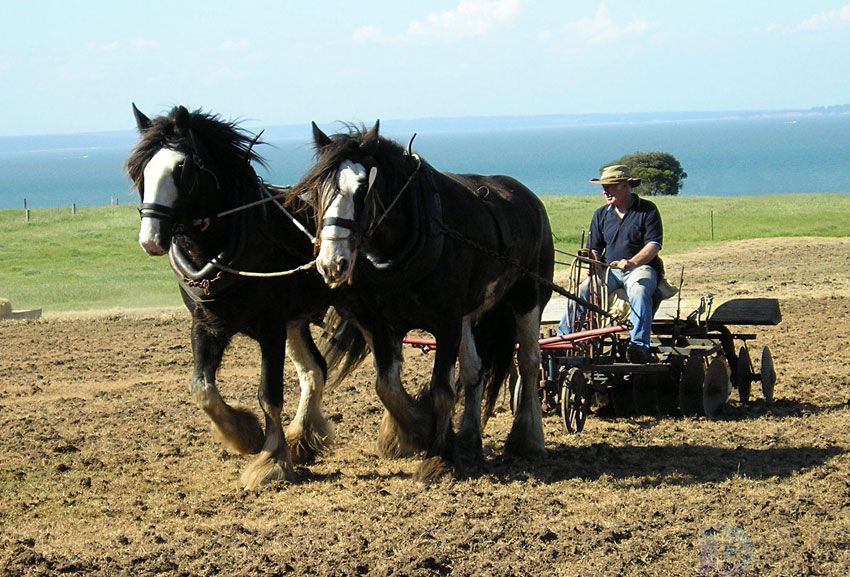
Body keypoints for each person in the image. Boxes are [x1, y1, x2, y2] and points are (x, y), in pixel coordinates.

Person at [558, 164, 664, 364]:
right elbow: (595, 249)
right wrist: (592, 260)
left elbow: (653, 245)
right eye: (603, 186)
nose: (604, 191)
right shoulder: (601, 214)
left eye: (609, 186)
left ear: (625, 186)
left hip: (641, 269)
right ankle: (562, 339)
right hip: (610, 272)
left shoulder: (647, 210)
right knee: (581, 293)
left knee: (640, 292)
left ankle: (639, 345)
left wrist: (632, 262)